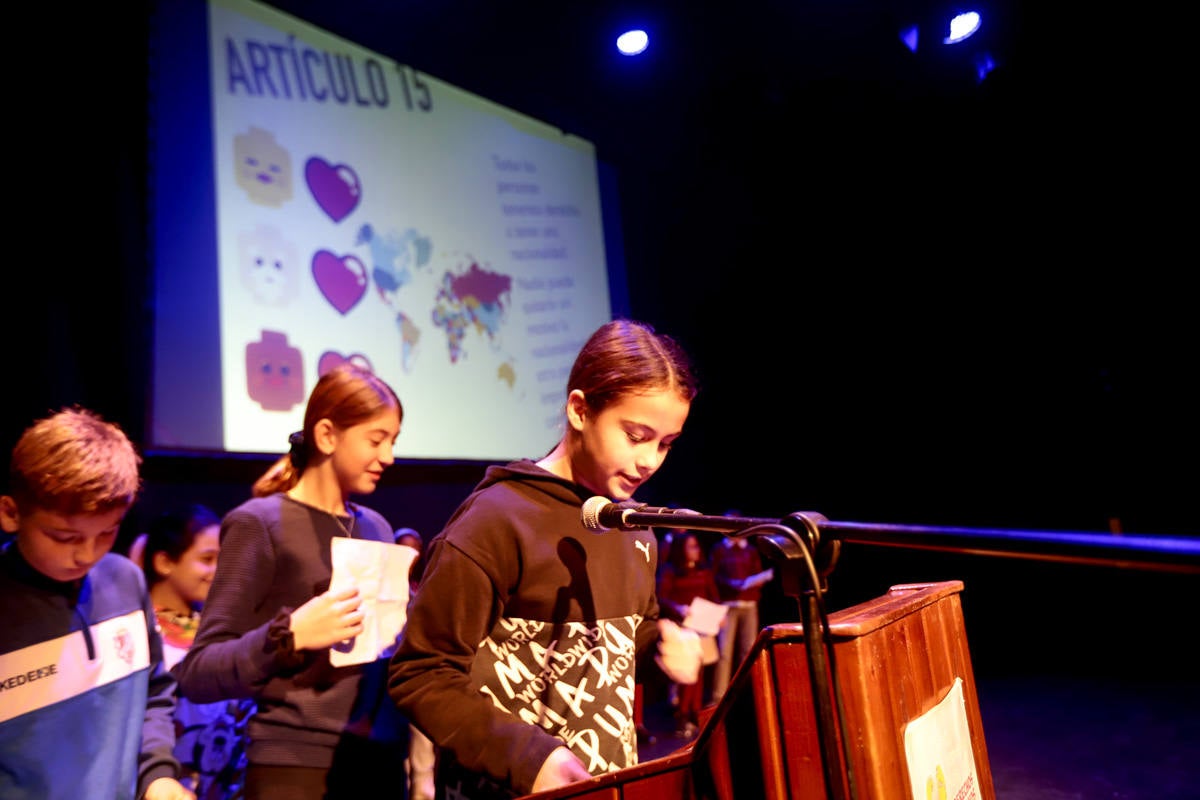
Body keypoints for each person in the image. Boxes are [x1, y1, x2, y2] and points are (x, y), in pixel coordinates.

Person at [387, 318, 706, 799]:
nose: (650, 461)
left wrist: (663, 645)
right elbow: (420, 673)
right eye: (636, 435)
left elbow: (624, 645)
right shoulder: (496, 519)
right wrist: (526, 757)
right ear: (580, 410)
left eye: (665, 444)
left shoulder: (635, 527)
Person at [173, 363, 411, 800]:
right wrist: (292, 635)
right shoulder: (260, 523)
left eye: (393, 441)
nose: (389, 457)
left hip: (376, 763)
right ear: (326, 436)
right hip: (294, 765)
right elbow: (198, 672)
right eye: (376, 440)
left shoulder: (376, 527)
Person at [0, 407, 194, 800]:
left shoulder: (125, 579)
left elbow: (154, 692)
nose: (87, 555)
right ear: (10, 513)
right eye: (64, 537)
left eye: (107, 532)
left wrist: (155, 773)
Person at [141, 504, 255, 798]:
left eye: (223, 559)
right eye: (207, 559)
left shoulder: (218, 629)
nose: (218, 570)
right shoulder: (139, 632)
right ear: (165, 562)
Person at [656, 530, 722, 738]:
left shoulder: (704, 570)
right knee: (688, 674)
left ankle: (695, 713)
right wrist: (679, 608)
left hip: (702, 624)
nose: (696, 550)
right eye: (691, 546)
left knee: (700, 671)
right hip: (682, 627)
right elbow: (662, 598)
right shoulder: (670, 571)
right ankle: (683, 715)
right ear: (680, 549)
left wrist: (720, 614)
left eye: (697, 546)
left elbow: (714, 594)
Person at [393, 527, 435, 800]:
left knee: (422, 748)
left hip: (421, 671)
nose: (412, 554)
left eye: (416, 548)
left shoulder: (422, 585)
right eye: (406, 548)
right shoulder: (389, 587)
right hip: (393, 670)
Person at [709, 519, 770, 704]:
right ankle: (718, 696)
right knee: (724, 652)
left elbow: (758, 572)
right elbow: (712, 575)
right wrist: (729, 584)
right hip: (728, 604)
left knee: (748, 650)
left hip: (748, 604)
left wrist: (755, 581)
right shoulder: (720, 549)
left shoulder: (750, 551)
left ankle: (748, 693)